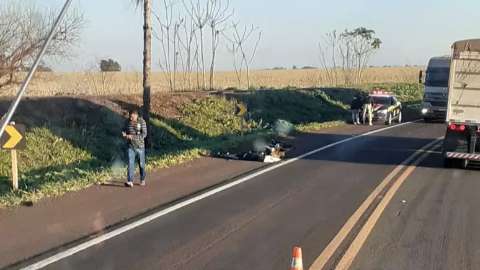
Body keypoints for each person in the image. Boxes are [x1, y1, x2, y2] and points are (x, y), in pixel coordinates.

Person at [122, 109, 148, 187]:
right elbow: (123, 129)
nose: (131, 118)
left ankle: (142, 179)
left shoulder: (142, 122)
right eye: (130, 117)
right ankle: (130, 181)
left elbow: (144, 134)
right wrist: (124, 134)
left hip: (140, 146)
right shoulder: (127, 121)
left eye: (132, 117)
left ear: (136, 115)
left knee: (141, 165)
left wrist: (132, 137)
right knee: (130, 163)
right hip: (130, 146)